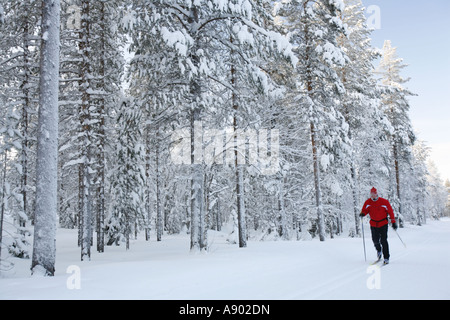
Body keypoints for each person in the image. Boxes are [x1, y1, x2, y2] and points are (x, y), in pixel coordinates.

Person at [360, 187, 398, 265]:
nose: (373, 196)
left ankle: (386, 257)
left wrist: (393, 222)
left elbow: (390, 212)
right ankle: (379, 250)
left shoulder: (384, 202)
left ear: (377, 194)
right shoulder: (368, 202)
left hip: (383, 223)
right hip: (374, 224)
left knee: (383, 241)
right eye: (371, 194)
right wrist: (362, 214)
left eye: (374, 194)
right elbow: (365, 210)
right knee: (375, 240)